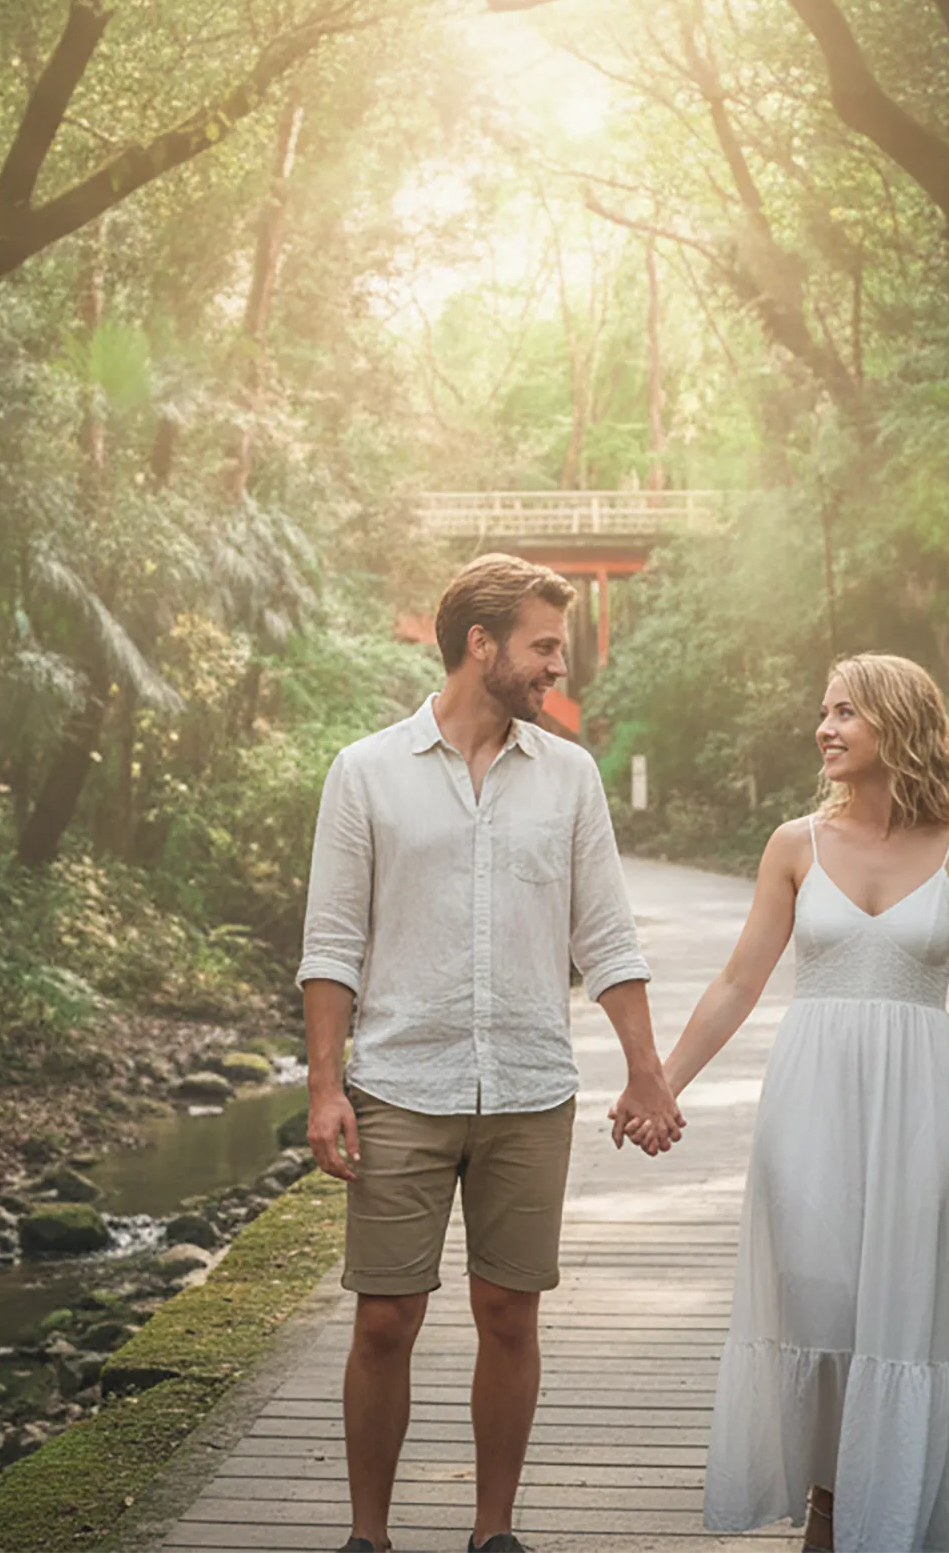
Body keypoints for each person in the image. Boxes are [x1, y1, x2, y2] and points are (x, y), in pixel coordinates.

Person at [298, 552, 682, 1553]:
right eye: (545, 645)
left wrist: (646, 1070)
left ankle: (492, 1530)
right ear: (483, 644)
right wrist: (324, 1088)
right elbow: (331, 945)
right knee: (386, 1319)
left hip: (527, 1086)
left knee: (510, 1311)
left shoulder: (569, 778)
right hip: (400, 1086)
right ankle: (368, 1536)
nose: (559, 665)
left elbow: (607, 934)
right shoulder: (365, 771)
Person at [613, 652, 949, 1553]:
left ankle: (890, 1523)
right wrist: (660, 1083)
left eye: (844, 713)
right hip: (809, 1107)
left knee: (903, 1312)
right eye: (823, 712)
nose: (823, 729)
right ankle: (827, 1519)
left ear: (897, 726)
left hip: (917, 1109)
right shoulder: (795, 844)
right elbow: (737, 981)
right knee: (817, 1304)